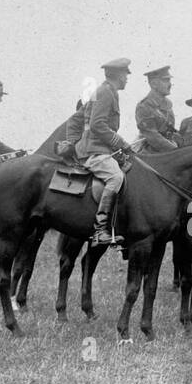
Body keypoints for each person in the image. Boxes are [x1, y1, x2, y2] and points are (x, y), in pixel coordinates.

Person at [76, 58, 135, 245]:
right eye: (126, 75)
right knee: (116, 177)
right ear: (118, 76)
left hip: (101, 148)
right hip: (93, 150)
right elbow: (97, 125)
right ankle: (100, 229)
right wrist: (121, 142)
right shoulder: (106, 92)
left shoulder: (109, 92)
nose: (127, 79)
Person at [135, 66, 179, 151]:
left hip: (169, 149)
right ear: (154, 84)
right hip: (150, 152)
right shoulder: (144, 106)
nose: (170, 84)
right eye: (165, 80)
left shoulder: (168, 104)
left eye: (169, 80)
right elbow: (153, 137)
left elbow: (171, 131)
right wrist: (175, 150)